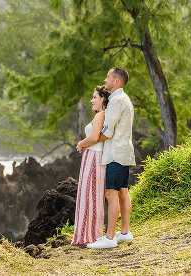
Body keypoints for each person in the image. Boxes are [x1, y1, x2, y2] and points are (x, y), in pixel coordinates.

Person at [86, 66, 136, 249]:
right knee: (123, 191)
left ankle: (109, 237)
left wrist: (89, 142)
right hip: (124, 151)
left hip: (116, 153)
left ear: (116, 81)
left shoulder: (116, 100)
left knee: (111, 193)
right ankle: (124, 232)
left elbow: (107, 131)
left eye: (108, 77)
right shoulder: (125, 99)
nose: (105, 80)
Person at [71, 86, 110, 246]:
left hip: (94, 157)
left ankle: (91, 235)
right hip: (92, 156)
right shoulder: (100, 115)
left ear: (102, 99)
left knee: (91, 196)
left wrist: (81, 143)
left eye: (95, 97)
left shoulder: (101, 115)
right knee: (89, 195)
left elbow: (94, 137)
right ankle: (89, 234)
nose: (91, 100)